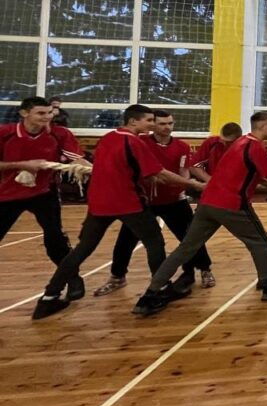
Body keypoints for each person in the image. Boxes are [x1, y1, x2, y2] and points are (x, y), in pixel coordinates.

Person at [131, 111, 267, 316]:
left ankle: (150, 294)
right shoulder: (255, 147)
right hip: (231, 204)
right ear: (262, 126)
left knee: (186, 248)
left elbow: (256, 176)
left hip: (207, 202)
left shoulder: (240, 143)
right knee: (259, 241)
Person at [32, 105, 205, 320]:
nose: (152, 125)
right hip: (127, 202)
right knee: (154, 242)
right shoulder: (134, 142)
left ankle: (49, 296)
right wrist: (194, 185)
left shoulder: (108, 138)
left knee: (83, 249)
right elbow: (159, 173)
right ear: (133, 121)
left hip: (98, 203)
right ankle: (157, 292)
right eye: (149, 120)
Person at [94, 110, 216, 297]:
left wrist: (184, 185)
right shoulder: (140, 142)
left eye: (170, 123)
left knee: (190, 237)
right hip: (144, 202)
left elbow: (184, 172)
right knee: (126, 239)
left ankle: (204, 269)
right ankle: (117, 277)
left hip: (173, 200)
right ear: (152, 125)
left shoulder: (181, 146)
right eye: (162, 124)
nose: (167, 127)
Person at [0, 97, 83, 289]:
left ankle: (72, 278)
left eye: (49, 113)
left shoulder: (59, 133)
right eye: (41, 113)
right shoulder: (5, 134)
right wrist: (22, 165)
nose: (47, 117)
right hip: (7, 194)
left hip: (44, 192)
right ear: (24, 113)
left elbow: (76, 159)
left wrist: (89, 168)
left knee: (55, 239)